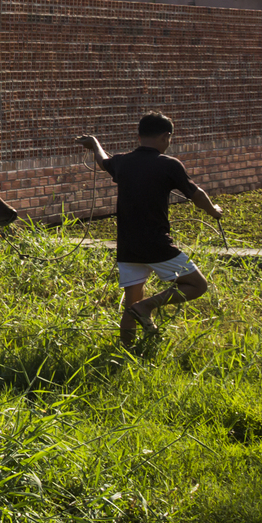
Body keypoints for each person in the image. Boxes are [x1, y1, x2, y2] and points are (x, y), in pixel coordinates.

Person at [76, 113, 224, 348]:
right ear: (166, 137)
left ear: (139, 136)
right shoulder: (168, 164)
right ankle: (148, 306)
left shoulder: (122, 161)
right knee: (198, 285)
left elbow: (103, 161)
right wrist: (214, 211)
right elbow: (196, 194)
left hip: (127, 246)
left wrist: (94, 143)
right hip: (156, 244)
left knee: (130, 306)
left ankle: (127, 351)